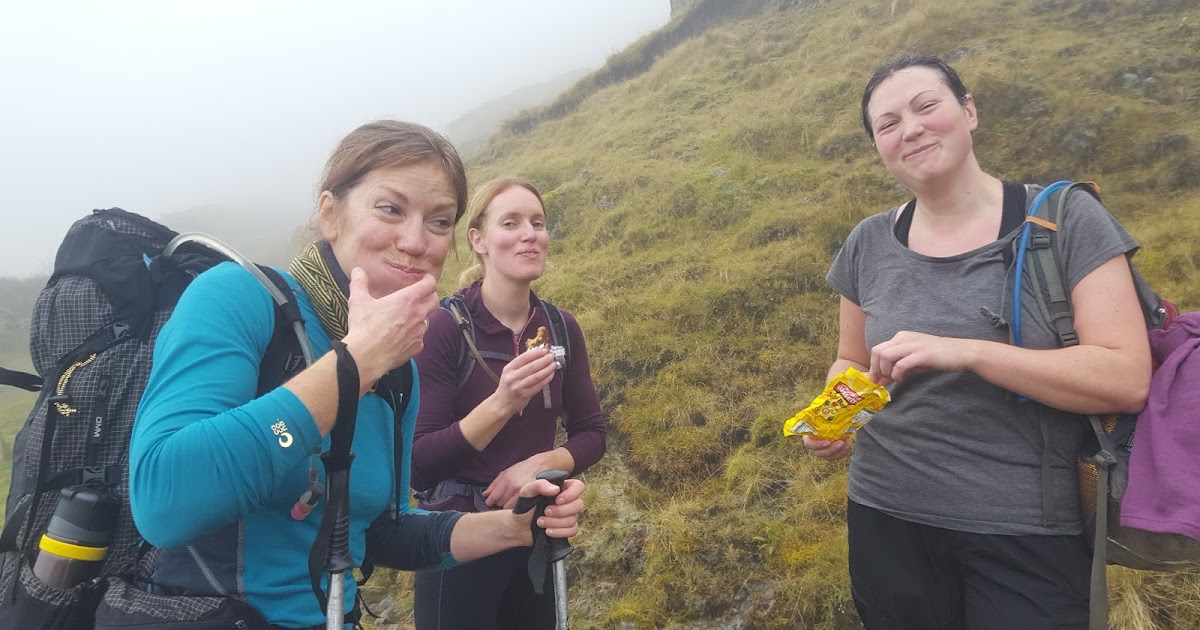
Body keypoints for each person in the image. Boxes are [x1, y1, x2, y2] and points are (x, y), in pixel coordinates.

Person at [126, 122, 586, 630]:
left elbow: (383, 530)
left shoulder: (399, 371)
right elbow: (163, 501)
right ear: (330, 214)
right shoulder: (239, 298)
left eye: (438, 221)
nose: (414, 241)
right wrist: (356, 364)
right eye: (390, 209)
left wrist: (510, 528)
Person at [802, 55, 1152, 630]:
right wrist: (838, 413)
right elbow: (851, 359)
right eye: (887, 124)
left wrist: (968, 352)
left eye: (926, 106)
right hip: (885, 516)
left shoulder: (1065, 220)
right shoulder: (867, 241)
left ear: (968, 110)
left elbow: (1126, 377)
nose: (909, 129)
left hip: (1028, 530)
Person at [410, 177, 606, 629]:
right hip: (456, 538)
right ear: (478, 240)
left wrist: (539, 464)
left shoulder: (560, 327)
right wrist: (502, 402)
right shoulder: (445, 326)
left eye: (537, 223)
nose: (529, 234)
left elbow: (592, 433)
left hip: (533, 530)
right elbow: (419, 465)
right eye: (511, 222)